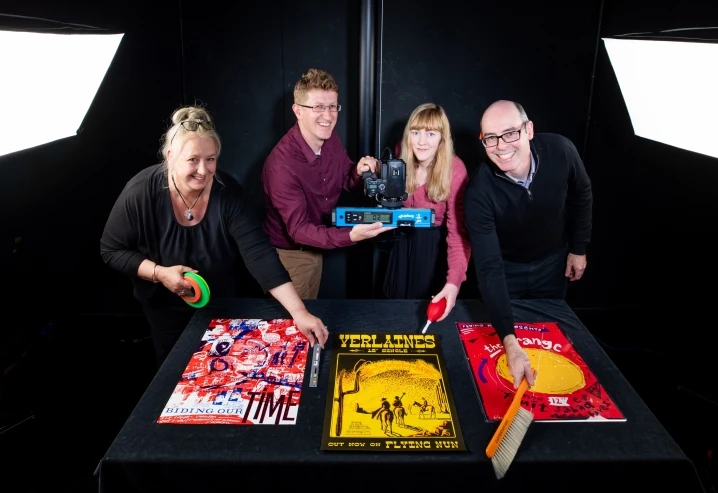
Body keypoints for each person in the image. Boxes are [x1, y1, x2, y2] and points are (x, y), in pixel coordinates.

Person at [100, 105, 329, 369]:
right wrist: (160, 273)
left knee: (222, 372)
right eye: (193, 160)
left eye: (211, 159)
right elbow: (111, 250)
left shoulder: (226, 191)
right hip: (164, 308)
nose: (203, 170)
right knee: (175, 371)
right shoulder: (140, 192)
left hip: (220, 303)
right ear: (171, 155)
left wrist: (300, 313)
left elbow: (260, 255)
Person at [464, 100, 592, 390]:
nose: (501, 146)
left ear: (529, 130)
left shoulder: (562, 150)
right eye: (491, 138)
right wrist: (509, 341)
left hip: (554, 261)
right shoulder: (478, 192)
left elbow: (582, 193)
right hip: (506, 271)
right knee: (507, 344)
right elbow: (488, 266)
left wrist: (579, 247)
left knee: (549, 342)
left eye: (510, 133)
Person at [262, 68, 393, 299]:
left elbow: (343, 176)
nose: (328, 115)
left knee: (312, 314)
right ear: (298, 111)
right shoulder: (281, 166)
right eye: (318, 107)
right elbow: (299, 230)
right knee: (292, 327)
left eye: (333, 106)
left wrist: (357, 171)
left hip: (318, 246)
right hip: (289, 257)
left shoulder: (329, 137)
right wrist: (351, 235)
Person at [381, 103, 471, 321]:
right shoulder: (400, 154)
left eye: (431, 133)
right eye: (416, 132)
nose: (421, 141)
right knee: (392, 311)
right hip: (401, 244)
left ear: (442, 138)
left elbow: (458, 235)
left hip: (433, 250)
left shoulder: (455, 170)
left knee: (422, 316)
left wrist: (454, 281)